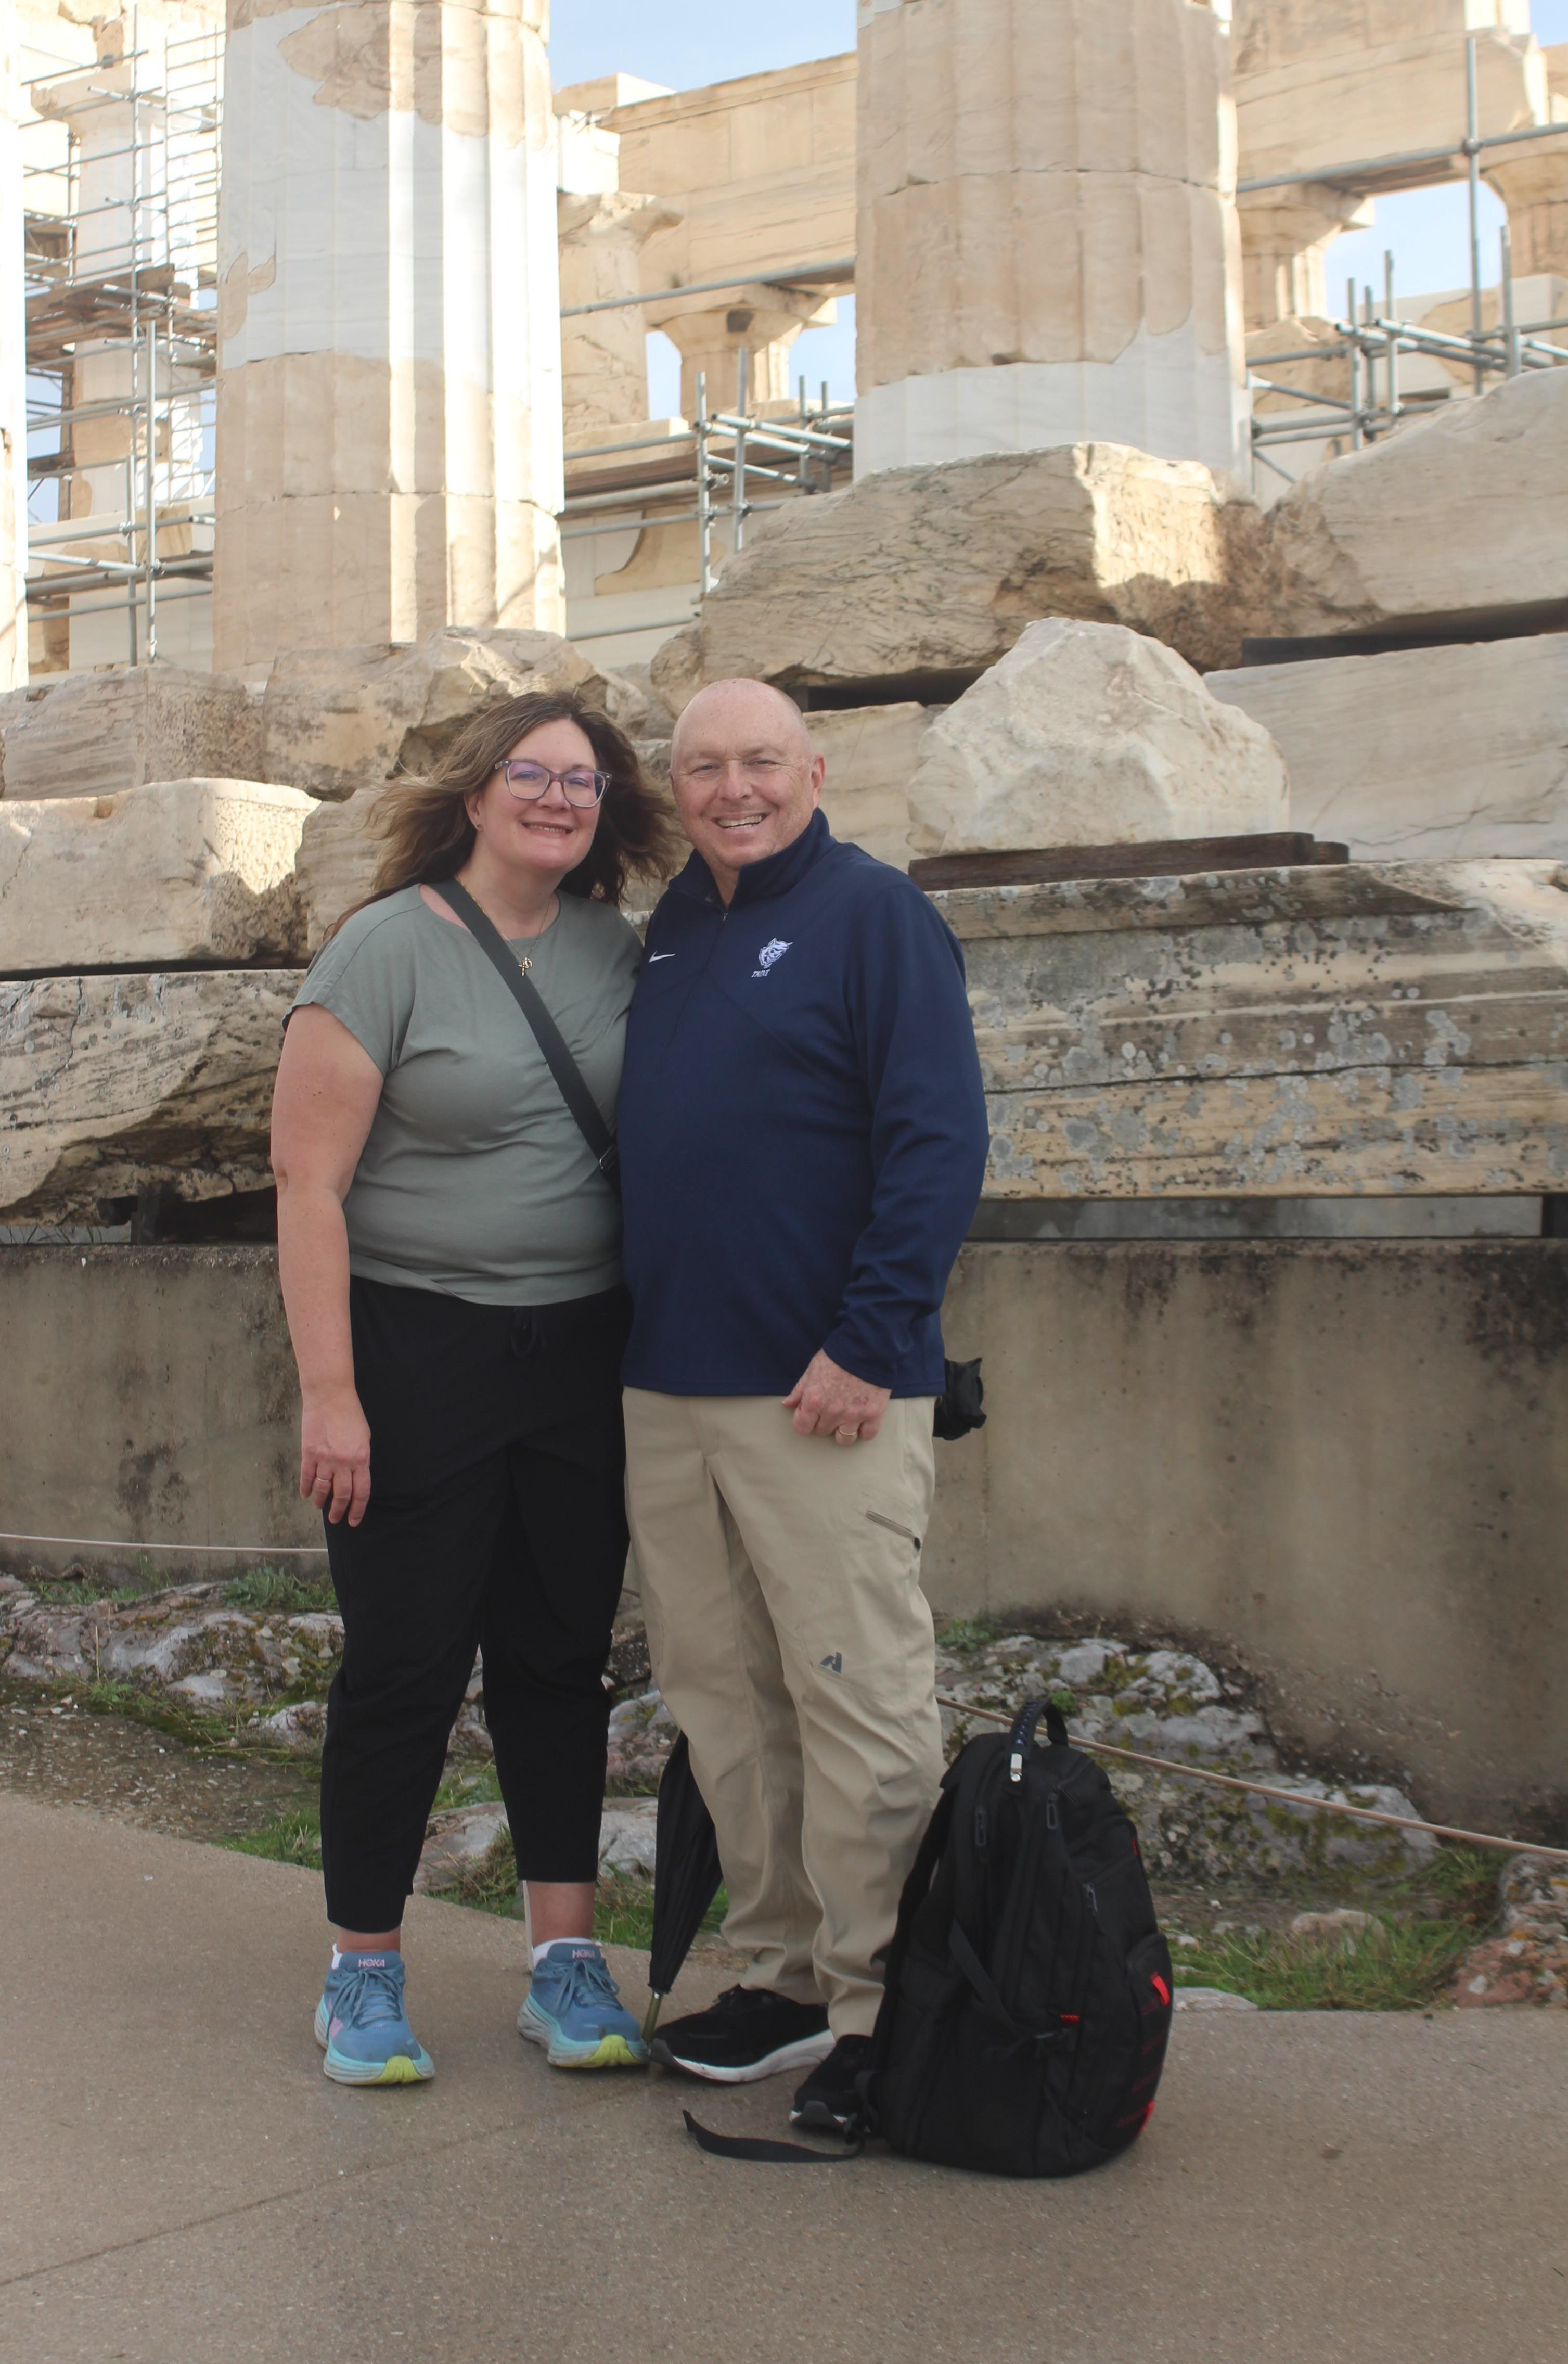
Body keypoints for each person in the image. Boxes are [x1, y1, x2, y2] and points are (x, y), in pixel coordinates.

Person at [271, 689, 681, 2087]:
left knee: (560, 1658)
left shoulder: (615, 951)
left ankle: (564, 1960)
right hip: (415, 1350)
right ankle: (363, 1975)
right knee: (404, 1664)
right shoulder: (385, 949)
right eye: (534, 774)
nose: (561, 799)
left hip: (579, 1352)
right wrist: (331, 1394)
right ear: (473, 791)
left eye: (585, 782)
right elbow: (306, 1187)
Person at [616, 678, 990, 2132]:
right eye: (704, 767)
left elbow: (938, 1139)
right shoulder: (673, 928)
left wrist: (869, 1334)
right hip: (670, 1390)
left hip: (826, 1389)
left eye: (760, 762)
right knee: (724, 1699)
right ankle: (777, 1974)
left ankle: (881, 2007)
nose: (733, 789)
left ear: (815, 768)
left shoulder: (876, 916)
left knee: (857, 1700)